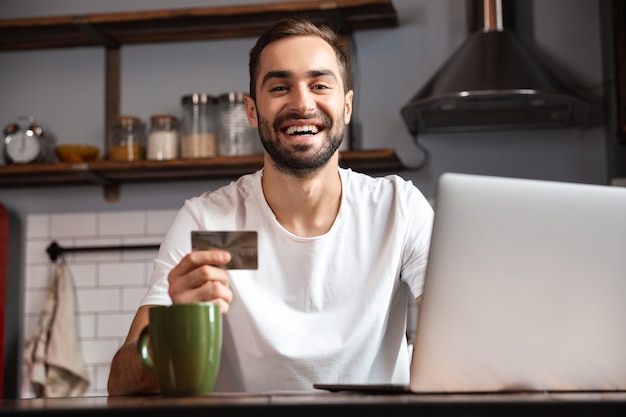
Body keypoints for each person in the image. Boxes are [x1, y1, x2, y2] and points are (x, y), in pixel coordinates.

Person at [107, 15, 434, 395]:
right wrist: (174, 329)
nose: (301, 102)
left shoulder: (399, 209)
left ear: (346, 107)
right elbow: (120, 383)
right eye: (280, 87)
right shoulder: (211, 224)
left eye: (319, 84)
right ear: (251, 110)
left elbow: (460, 332)